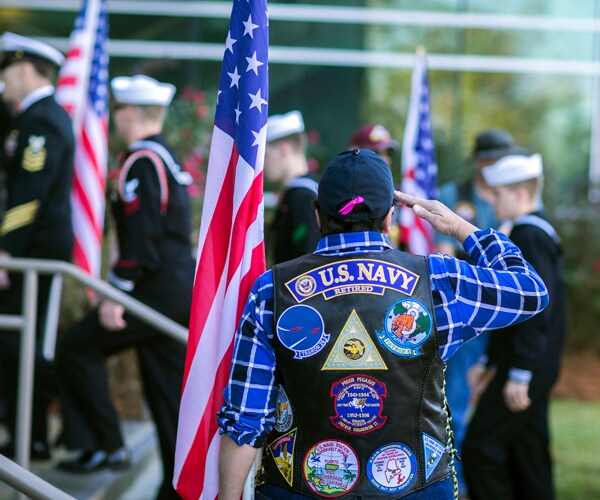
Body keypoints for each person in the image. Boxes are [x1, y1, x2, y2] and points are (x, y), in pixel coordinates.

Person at [217, 148, 549, 499]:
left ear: (317, 214)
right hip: (415, 487)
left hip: (300, 488)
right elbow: (530, 291)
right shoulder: (437, 278)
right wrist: (461, 229)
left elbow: (245, 417)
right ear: (390, 217)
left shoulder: (272, 289)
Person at [56, 75, 194, 499]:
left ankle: (104, 446)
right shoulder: (168, 157)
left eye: (117, 110)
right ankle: (175, 487)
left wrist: (118, 290)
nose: (114, 118)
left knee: (75, 347)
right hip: (175, 293)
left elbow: (142, 235)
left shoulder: (141, 161)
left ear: (129, 112)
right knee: (167, 392)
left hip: (149, 290)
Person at [462, 152, 566, 500]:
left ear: (520, 192)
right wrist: (490, 362)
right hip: (532, 361)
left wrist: (520, 371)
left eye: (498, 194)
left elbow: (537, 309)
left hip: (527, 365)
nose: (492, 200)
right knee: (527, 451)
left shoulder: (527, 234)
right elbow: (513, 314)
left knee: (480, 447)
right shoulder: (533, 230)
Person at [0, 32, 74, 459]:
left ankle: (34, 439)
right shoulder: (28, 117)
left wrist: (7, 248)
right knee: (15, 346)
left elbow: (30, 193)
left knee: (25, 347)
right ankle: (25, 434)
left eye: (7, 70)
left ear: (26, 69)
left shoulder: (41, 120)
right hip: (32, 251)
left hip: (36, 254)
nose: (4, 80)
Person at [435, 128, 520, 494]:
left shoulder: (516, 196)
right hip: (470, 319)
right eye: (492, 160)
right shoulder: (457, 196)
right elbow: (443, 254)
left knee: (500, 400)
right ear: (481, 162)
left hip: (509, 318)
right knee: (456, 399)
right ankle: (457, 481)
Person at [265, 110, 321, 264]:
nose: (262, 164)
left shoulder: (303, 197)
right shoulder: (298, 194)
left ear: (283, 150)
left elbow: (307, 258)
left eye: (265, 154)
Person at [349, 122, 402, 246]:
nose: (385, 160)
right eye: (376, 153)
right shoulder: (341, 193)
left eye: (387, 153)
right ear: (353, 151)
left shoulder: (397, 193)